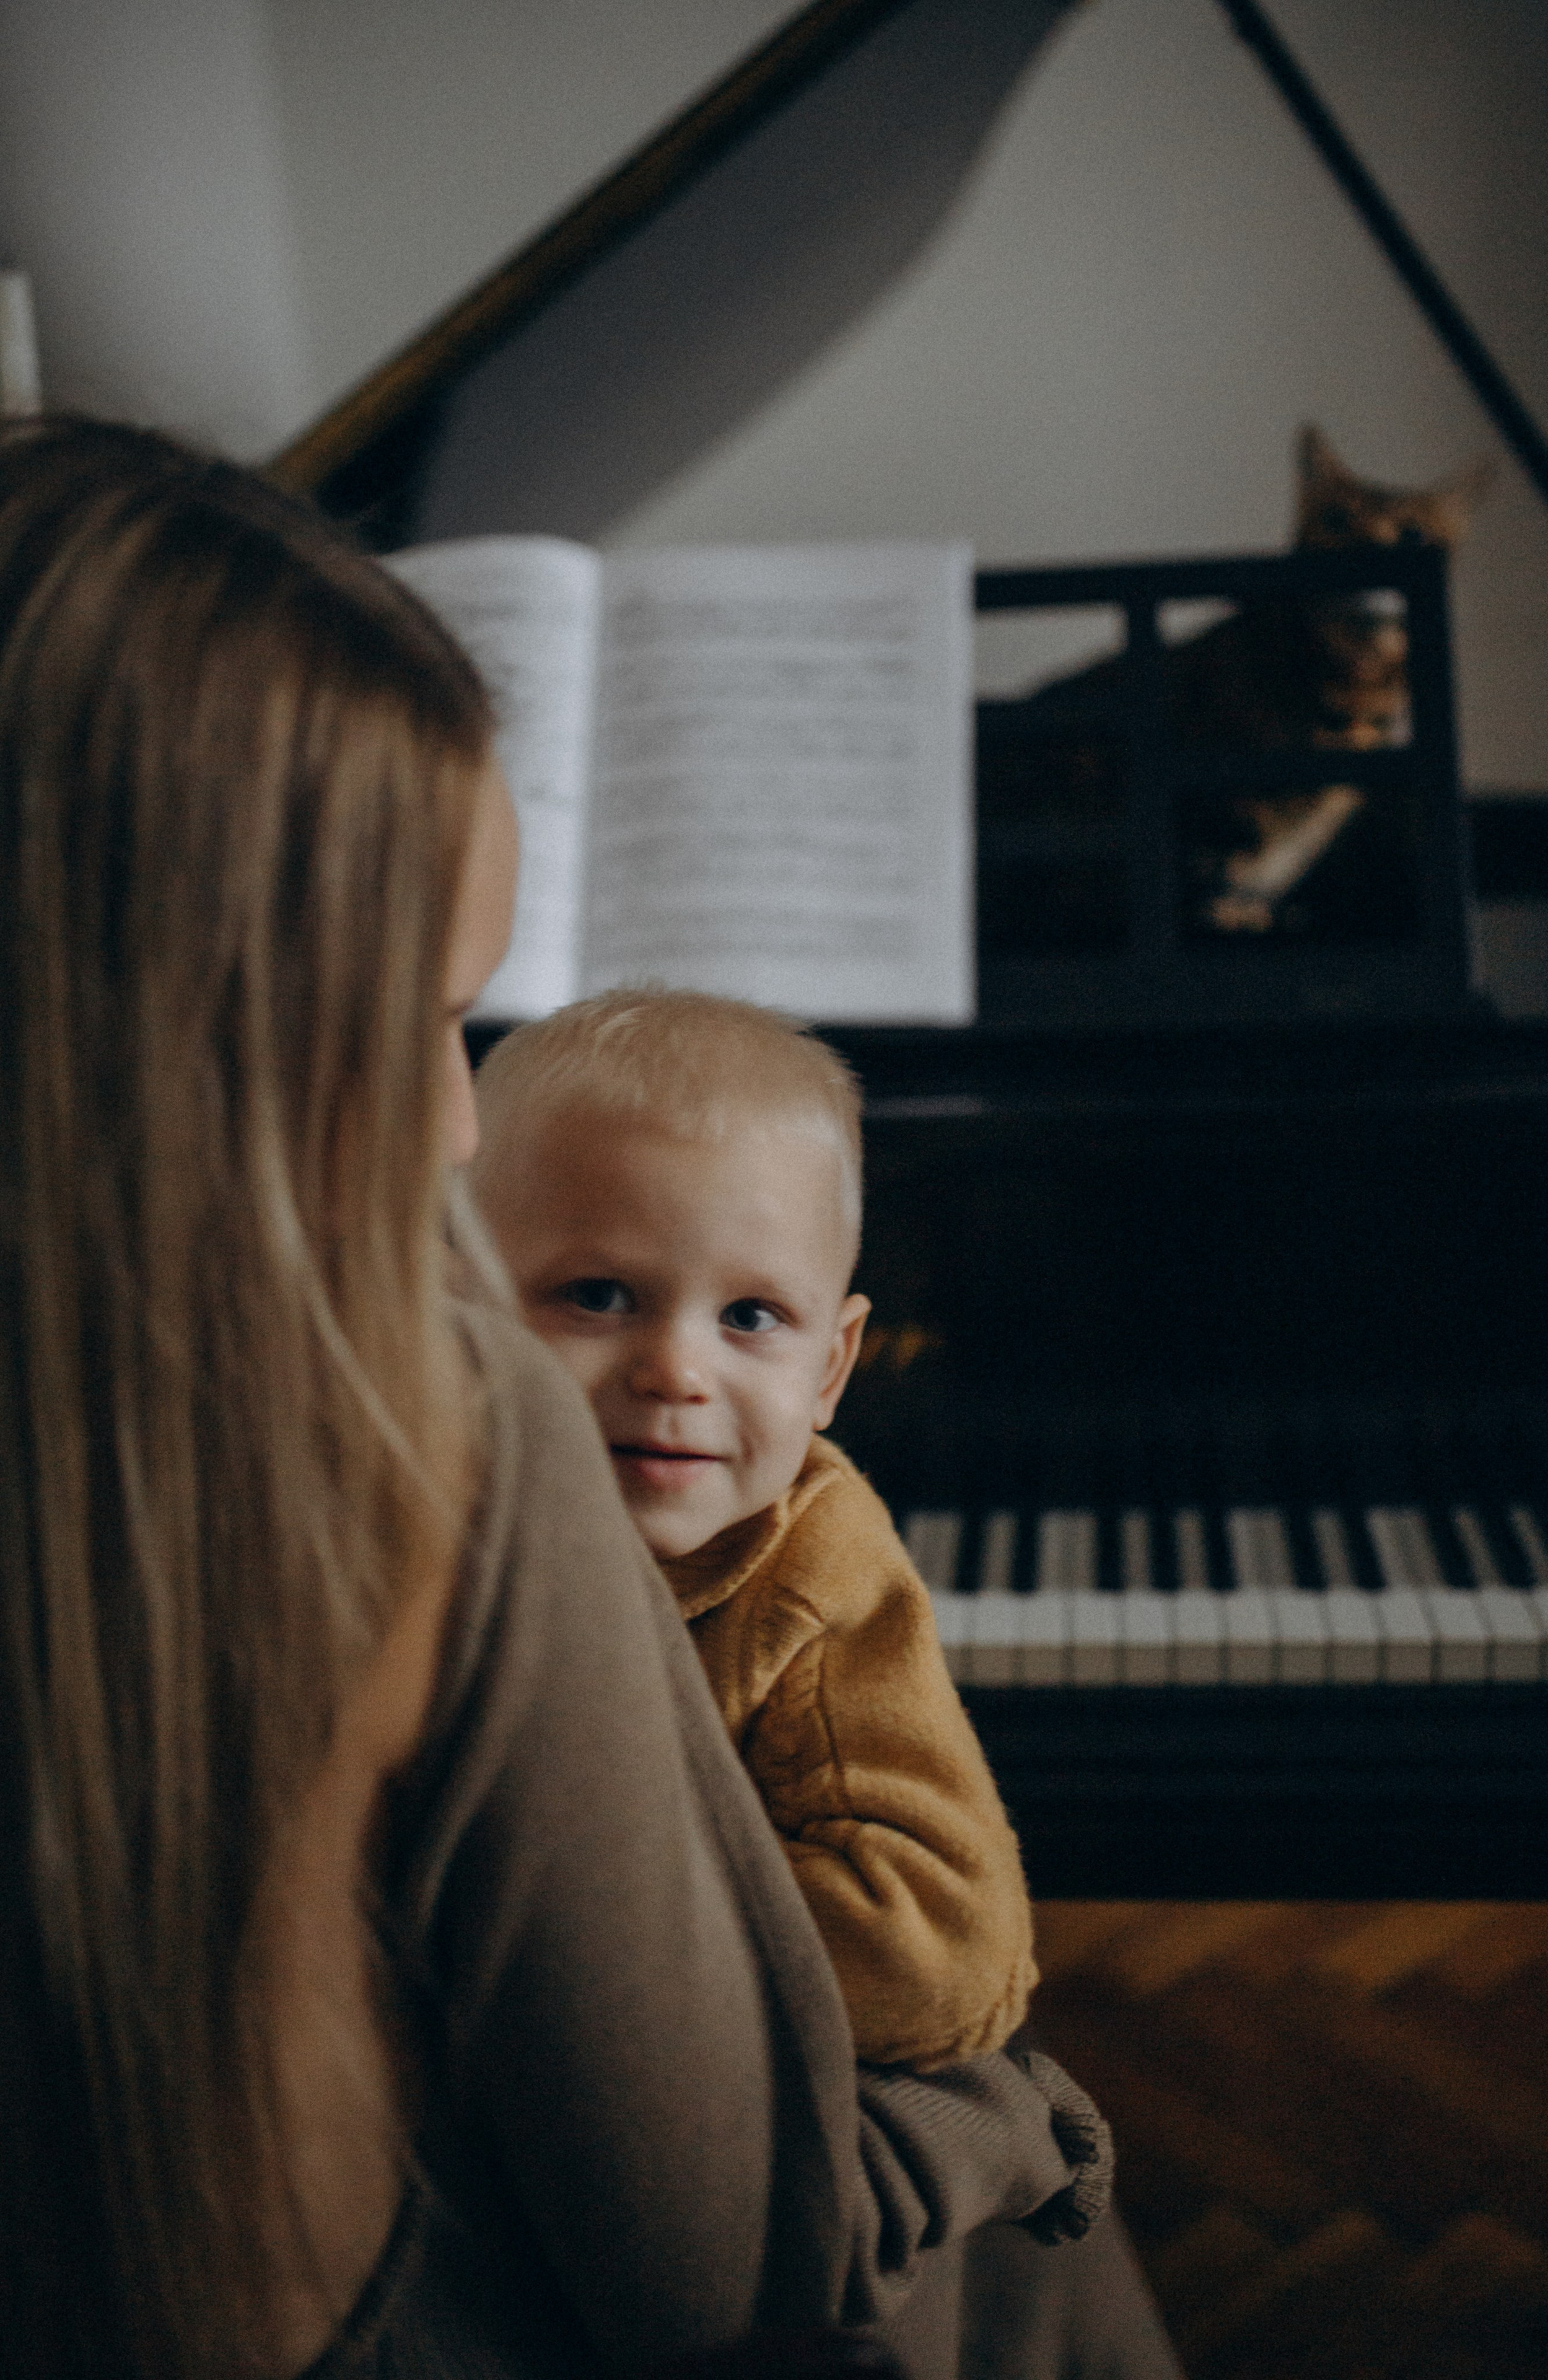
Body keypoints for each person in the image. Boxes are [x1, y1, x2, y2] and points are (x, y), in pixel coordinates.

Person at [0, 418, 1145, 2380]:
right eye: (419, 1021)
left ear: (838, 1349)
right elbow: (738, 2279)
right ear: (182, 1027)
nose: (456, 1129)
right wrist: (1011, 2114)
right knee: (1045, 2255)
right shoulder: (433, 1427)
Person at [469, 990, 1035, 2073]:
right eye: (599, 1294)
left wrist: (560, 1902)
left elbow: (943, 1959)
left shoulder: (813, 1570)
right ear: (462, 1297)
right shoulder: (420, 1501)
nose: (677, 1372)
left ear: (832, 1367)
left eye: (750, 1316)